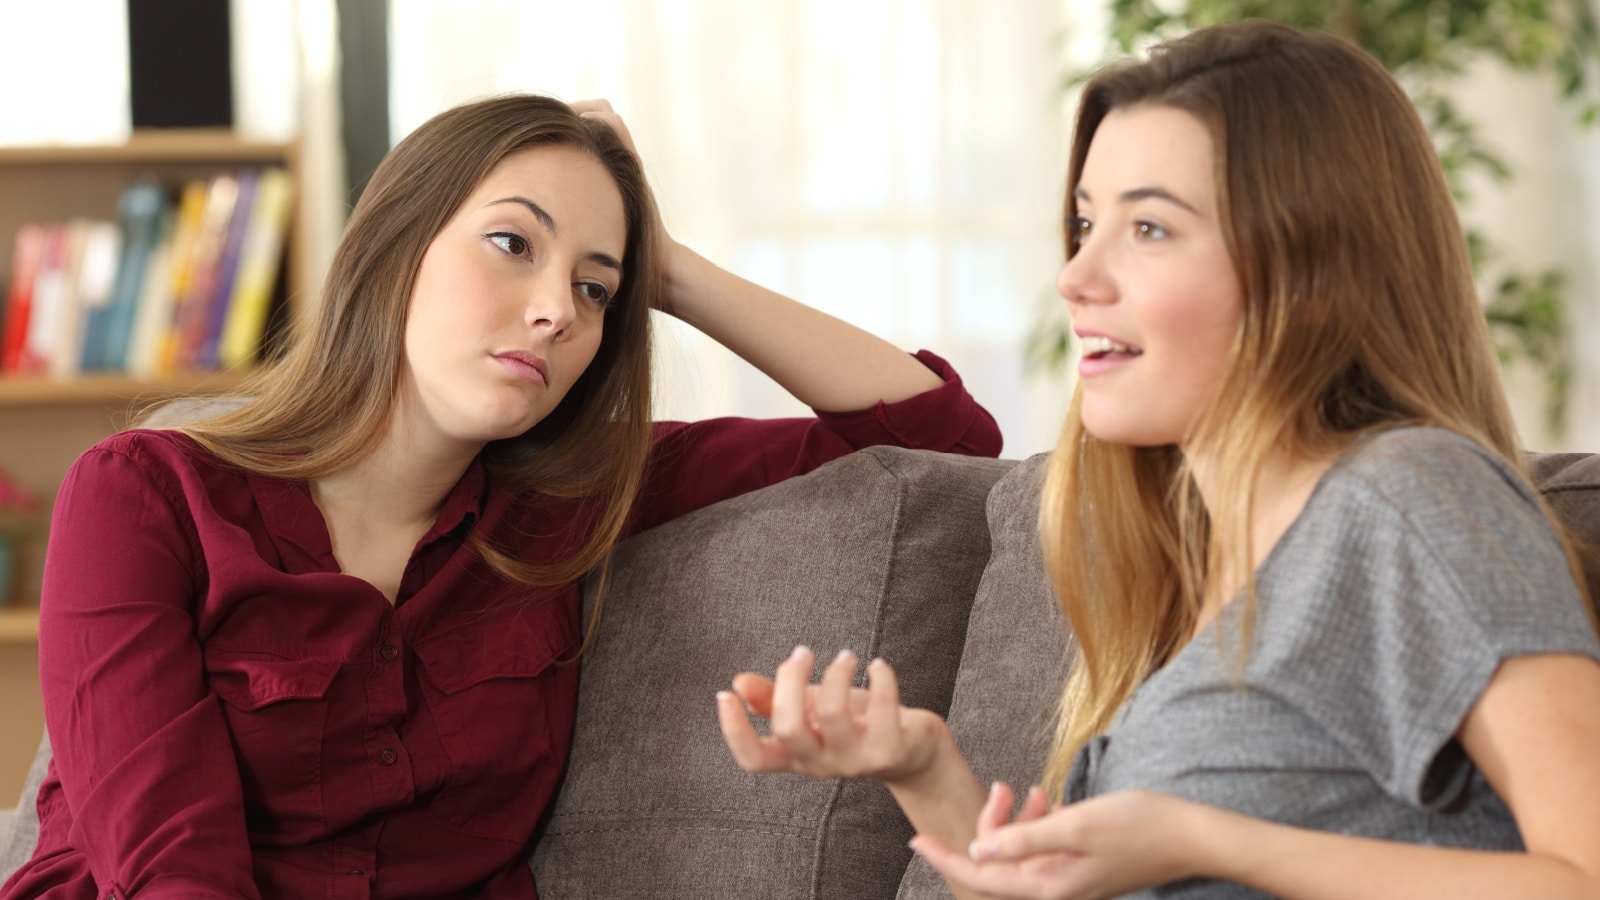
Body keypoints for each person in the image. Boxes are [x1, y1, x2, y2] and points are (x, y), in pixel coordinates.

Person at [1, 95, 1001, 899]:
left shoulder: (570, 507)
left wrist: (673, 272)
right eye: (514, 245)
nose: (554, 310)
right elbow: (173, 871)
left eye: (595, 288)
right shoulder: (145, 493)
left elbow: (942, 438)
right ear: (396, 247)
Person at [717, 20, 1600, 899]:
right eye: (1085, 222)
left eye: (1148, 228)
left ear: (1311, 275)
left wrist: (1199, 836)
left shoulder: (1412, 498)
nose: (1075, 275)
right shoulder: (1204, 564)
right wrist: (922, 771)